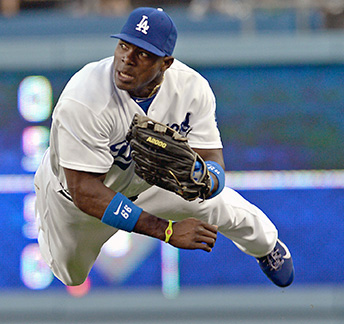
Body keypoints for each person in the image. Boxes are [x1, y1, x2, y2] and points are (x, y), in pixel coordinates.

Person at [34, 7, 294, 288]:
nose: (126, 59)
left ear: (165, 63)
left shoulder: (192, 89)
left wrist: (210, 178)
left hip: (147, 186)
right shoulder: (84, 98)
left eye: (142, 53)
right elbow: (85, 190)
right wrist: (166, 230)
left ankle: (266, 245)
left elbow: (211, 155)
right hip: (75, 203)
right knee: (71, 275)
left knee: (214, 204)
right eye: (124, 45)